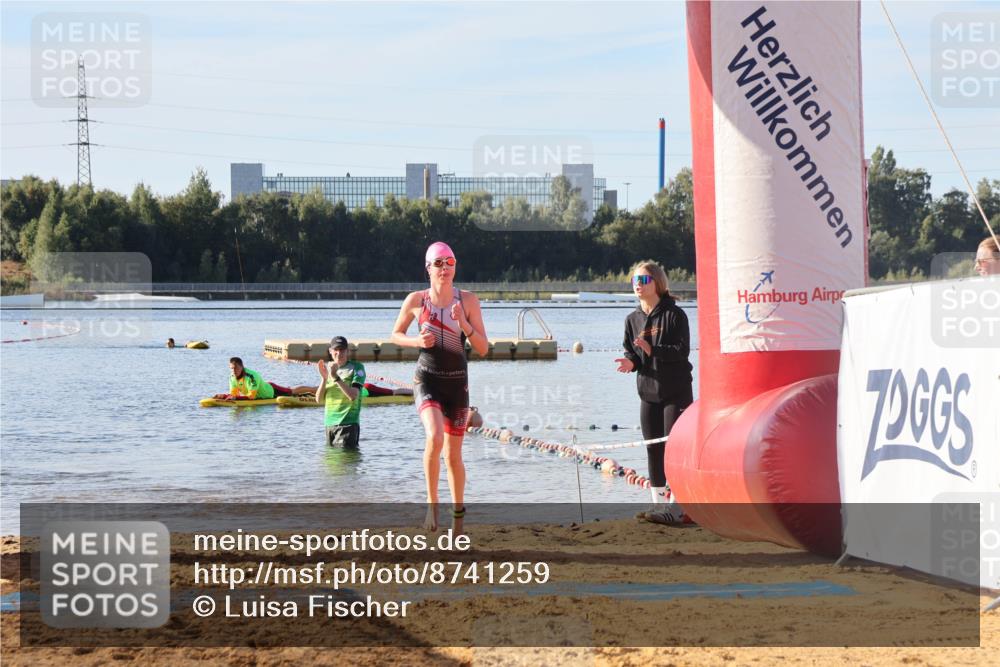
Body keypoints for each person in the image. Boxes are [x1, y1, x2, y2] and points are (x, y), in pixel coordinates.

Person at [391, 241, 488, 533]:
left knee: (453, 456)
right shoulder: (417, 301)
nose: (444, 268)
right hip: (427, 380)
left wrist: (465, 325)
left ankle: (458, 524)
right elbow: (396, 334)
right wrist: (416, 342)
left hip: (457, 385)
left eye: (450, 262)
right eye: (438, 263)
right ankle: (432, 506)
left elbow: (482, 348)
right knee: (434, 437)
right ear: (428, 268)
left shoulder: (468, 301)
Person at [614, 260, 693, 525]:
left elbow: (681, 351)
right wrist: (632, 362)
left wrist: (652, 351)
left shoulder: (674, 315)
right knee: (653, 449)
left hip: (675, 391)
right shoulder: (632, 319)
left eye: (644, 280)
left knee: (675, 448)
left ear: (657, 283)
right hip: (648, 392)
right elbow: (632, 351)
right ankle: (658, 505)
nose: (638, 285)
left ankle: (677, 507)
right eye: (635, 280)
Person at [315, 336, 366, 448]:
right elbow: (318, 400)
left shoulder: (357, 367)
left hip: (348, 424)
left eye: (342, 350)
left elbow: (353, 395)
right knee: (331, 463)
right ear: (330, 351)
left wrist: (335, 377)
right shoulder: (328, 369)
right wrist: (324, 379)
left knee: (346, 462)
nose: (339, 353)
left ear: (347, 351)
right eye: (336, 350)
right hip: (329, 424)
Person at [213, 357, 312, 400]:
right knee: (293, 391)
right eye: (231, 369)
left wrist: (234, 397)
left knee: (292, 391)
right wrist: (225, 396)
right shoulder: (231, 378)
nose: (234, 371)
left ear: (242, 367)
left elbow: (251, 397)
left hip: (271, 392)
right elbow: (234, 395)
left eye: (236, 368)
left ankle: (315, 389)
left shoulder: (251, 376)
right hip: (260, 391)